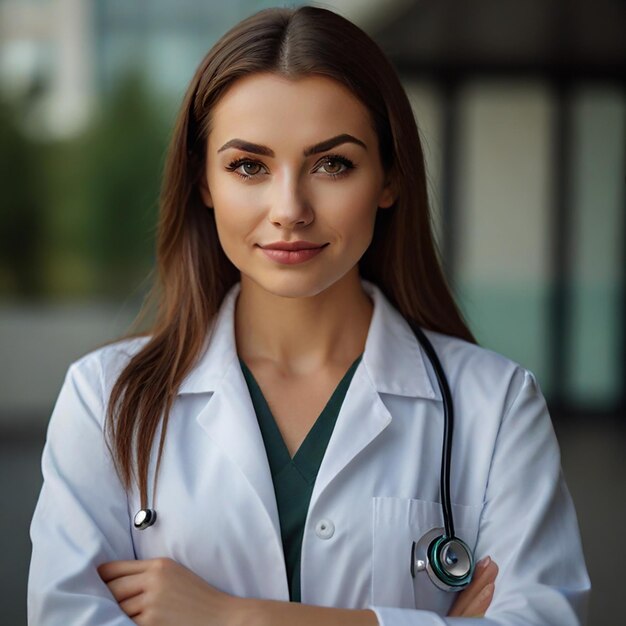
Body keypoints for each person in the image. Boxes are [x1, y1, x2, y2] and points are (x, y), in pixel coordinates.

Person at [28, 5, 591, 625]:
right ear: (204, 183)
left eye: (333, 164)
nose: (289, 207)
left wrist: (237, 618)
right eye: (249, 166)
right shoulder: (104, 398)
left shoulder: (496, 404)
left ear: (389, 178)